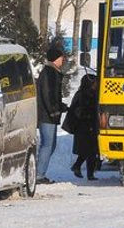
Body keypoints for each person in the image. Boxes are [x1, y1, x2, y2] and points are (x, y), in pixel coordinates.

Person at [35, 47, 68, 184]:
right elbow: (48, 95)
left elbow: (53, 95)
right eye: (61, 57)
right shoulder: (49, 73)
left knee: (51, 144)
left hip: (50, 113)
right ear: (55, 58)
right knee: (47, 144)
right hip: (47, 115)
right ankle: (38, 175)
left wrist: (60, 107)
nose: (63, 60)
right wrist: (54, 110)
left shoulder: (53, 72)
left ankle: (39, 173)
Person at [69, 74, 100, 180]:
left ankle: (79, 167)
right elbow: (79, 111)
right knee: (91, 151)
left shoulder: (86, 94)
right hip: (85, 126)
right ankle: (88, 173)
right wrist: (89, 117)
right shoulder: (85, 95)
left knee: (88, 151)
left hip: (87, 126)